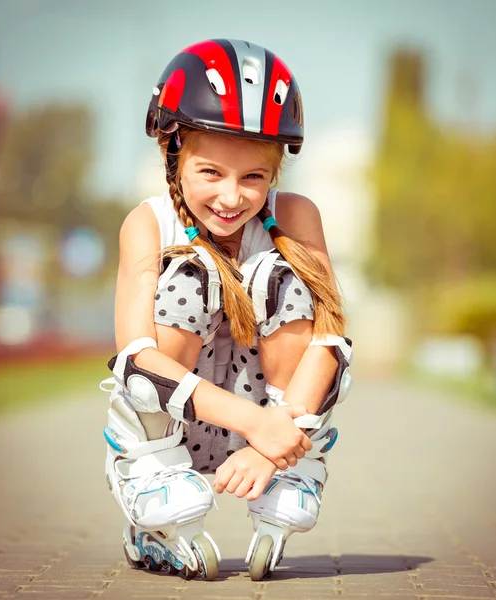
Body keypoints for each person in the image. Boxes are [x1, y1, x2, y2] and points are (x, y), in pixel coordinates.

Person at [100, 38, 353, 581]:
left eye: (253, 178)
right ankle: (152, 476)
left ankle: (294, 475)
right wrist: (258, 425)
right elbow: (138, 359)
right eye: (210, 173)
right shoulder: (147, 224)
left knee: (283, 278)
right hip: (177, 418)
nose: (232, 197)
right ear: (174, 157)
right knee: (191, 274)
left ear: (275, 174)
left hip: (276, 418)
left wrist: (273, 445)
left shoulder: (297, 215)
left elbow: (330, 344)